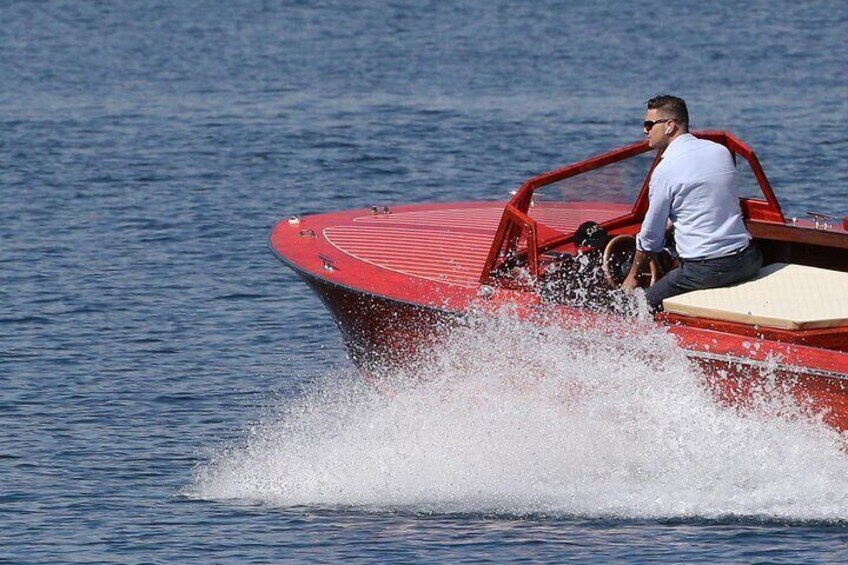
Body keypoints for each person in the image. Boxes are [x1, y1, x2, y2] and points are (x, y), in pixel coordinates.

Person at [622, 95, 762, 312]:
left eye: (649, 124)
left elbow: (650, 239)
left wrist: (632, 277)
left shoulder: (665, 170)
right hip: (749, 260)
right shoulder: (720, 151)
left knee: (636, 306)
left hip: (705, 271)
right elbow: (710, 202)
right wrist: (673, 223)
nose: (645, 130)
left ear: (670, 126)